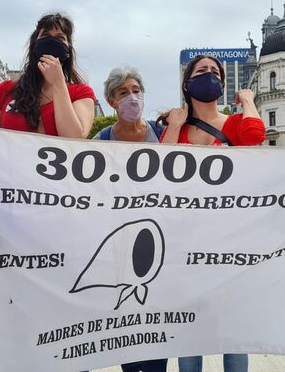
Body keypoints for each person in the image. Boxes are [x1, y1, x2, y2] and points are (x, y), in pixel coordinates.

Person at [160, 55, 266, 372]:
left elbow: (255, 136)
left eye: (215, 72)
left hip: (229, 242)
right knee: (187, 331)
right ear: (187, 82)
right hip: (184, 243)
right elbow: (159, 171)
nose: (209, 76)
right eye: (201, 71)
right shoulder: (176, 128)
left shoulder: (233, 123)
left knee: (232, 332)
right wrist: (175, 125)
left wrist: (247, 101)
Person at [93, 66, 166, 372]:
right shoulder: (101, 140)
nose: (132, 98)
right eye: (123, 93)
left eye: (136, 90)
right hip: (118, 246)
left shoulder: (161, 134)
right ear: (111, 102)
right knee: (126, 326)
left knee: (156, 326)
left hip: (158, 242)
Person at [0, 12, 95, 138]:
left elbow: (74, 140)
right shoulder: (4, 90)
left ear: (68, 49)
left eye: (60, 38)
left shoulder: (80, 94)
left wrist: (58, 83)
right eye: (45, 35)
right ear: (35, 44)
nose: (52, 41)